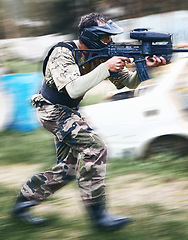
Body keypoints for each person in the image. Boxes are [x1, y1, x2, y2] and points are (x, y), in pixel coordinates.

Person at [11, 12, 168, 231]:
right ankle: (99, 217)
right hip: (51, 109)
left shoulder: (103, 54)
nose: (109, 42)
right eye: (105, 37)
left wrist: (147, 67)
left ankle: (23, 203)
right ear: (91, 36)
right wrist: (106, 67)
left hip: (68, 110)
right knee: (95, 147)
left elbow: (129, 83)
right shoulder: (63, 52)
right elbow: (74, 88)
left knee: (67, 169)